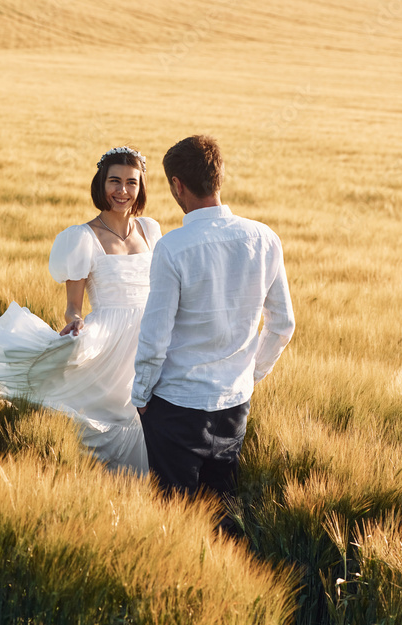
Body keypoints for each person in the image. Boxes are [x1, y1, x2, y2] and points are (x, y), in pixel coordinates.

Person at [0, 146, 162, 475]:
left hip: (150, 339)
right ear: (101, 184)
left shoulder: (150, 231)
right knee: (107, 418)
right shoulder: (82, 237)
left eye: (131, 182)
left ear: (141, 187)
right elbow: (73, 307)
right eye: (114, 181)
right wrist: (75, 322)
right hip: (110, 342)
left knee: (148, 419)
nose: (122, 191)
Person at [132, 135, 295, 503]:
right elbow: (283, 324)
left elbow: (155, 337)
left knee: (175, 515)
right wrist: (248, 374)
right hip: (234, 404)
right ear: (219, 177)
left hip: (177, 406)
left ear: (177, 185)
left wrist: (141, 394)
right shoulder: (265, 238)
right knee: (223, 511)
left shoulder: (173, 248)